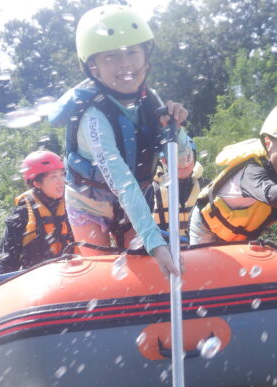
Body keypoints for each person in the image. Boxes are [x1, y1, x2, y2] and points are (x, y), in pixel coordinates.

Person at [49, 5, 187, 277]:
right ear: (93, 67)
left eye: (132, 52)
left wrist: (177, 130)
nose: (125, 63)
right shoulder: (93, 116)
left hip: (138, 197)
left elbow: (184, 162)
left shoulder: (152, 101)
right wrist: (155, 242)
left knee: (141, 268)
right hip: (89, 203)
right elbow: (121, 181)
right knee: (100, 273)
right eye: (111, 56)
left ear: (146, 57)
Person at [189, 101, 277, 244]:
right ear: (269, 143)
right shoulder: (252, 171)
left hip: (242, 235)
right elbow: (272, 195)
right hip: (207, 230)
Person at [0, 151, 73, 276]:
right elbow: (8, 259)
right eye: (54, 176)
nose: (61, 181)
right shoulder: (22, 213)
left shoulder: (73, 205)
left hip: (73, 274)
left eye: (62, 175)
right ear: (36, 183)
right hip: (38, 280)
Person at [149, 134, 209, 237]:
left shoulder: (207, 187)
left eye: (188, 157)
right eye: (176, 159)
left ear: (194, 159)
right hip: (165, 250)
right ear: (165, 161)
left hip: (199, 248)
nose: (183, 164)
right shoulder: (151, 189)